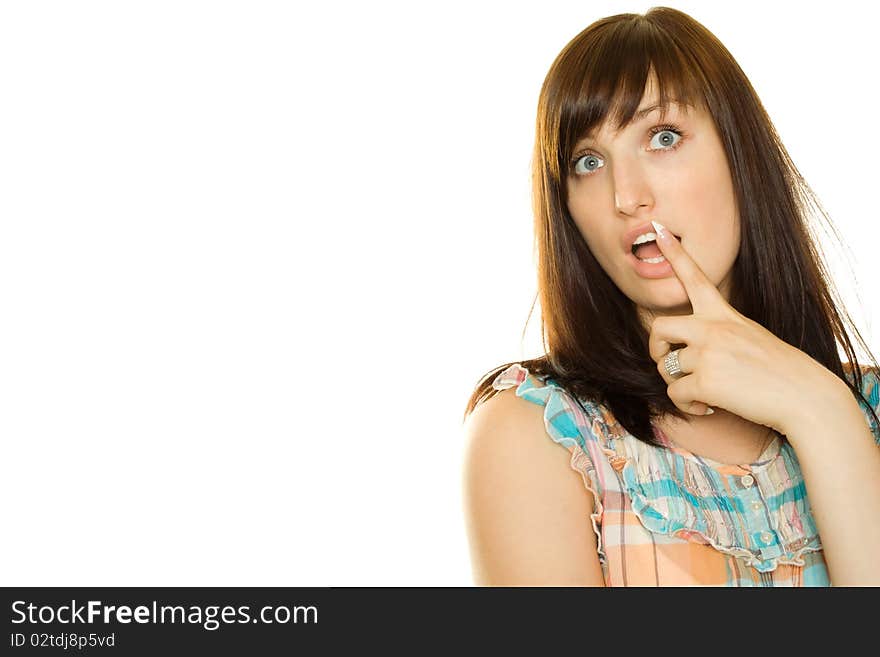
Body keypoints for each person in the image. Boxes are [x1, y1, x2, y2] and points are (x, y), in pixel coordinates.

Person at [460, 7, 880, 587]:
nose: (626, 197)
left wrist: (823, 413)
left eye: (663, 137)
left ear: (742, 156)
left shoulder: (867, 409)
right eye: (588, 161)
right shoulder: (541, 434)